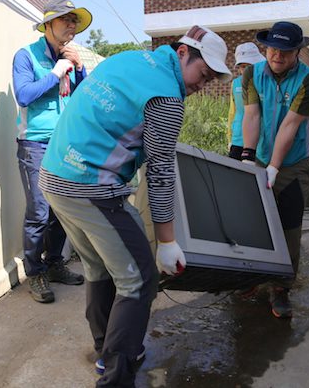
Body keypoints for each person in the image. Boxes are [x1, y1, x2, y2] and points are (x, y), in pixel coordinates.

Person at [38, 25, 231, 386]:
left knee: (98, 268)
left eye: (209, 81)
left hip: (53, 178)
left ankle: (107, 350)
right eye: (202, 75)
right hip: (90, 187)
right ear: (183, 53)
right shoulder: (167, 98)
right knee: (140, 280)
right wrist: (168, 241)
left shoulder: (129, 60)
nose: (200, 86)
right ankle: (115, 376)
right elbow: (159, 174)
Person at [241, 21, 309, 318]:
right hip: (261, 155)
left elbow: (290, 125)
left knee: (289, 226)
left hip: (295, 161)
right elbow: (251, 116)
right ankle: (251, 277)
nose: (277, 56)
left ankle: (280, 287)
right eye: (273, 48)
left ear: (298, 51)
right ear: (265, 47)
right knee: (255, 221)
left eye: (286, 51)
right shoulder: (252, 73)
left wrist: (275, 168)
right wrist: (249, 157)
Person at [12, 0, 91, 303]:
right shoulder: (26, 56)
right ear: (48, 25)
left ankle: (55, 263)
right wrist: (56, 72)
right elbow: (24, 94)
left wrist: (80, 69)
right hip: (35, 143)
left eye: (74, 21)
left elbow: (84, 99)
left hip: (65, 143)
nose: (71, 26)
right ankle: (35, 273)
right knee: (39, 212)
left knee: (62, 209)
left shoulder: (72, 56)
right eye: (65, 20)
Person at [227, 42, 266, 160]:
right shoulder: (235, 83)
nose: (247, 69)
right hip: (238, 141)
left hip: (261, 142)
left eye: (250, 65)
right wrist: (230, 139)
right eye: (243, 66)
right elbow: (232, 113)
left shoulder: (267, 83)